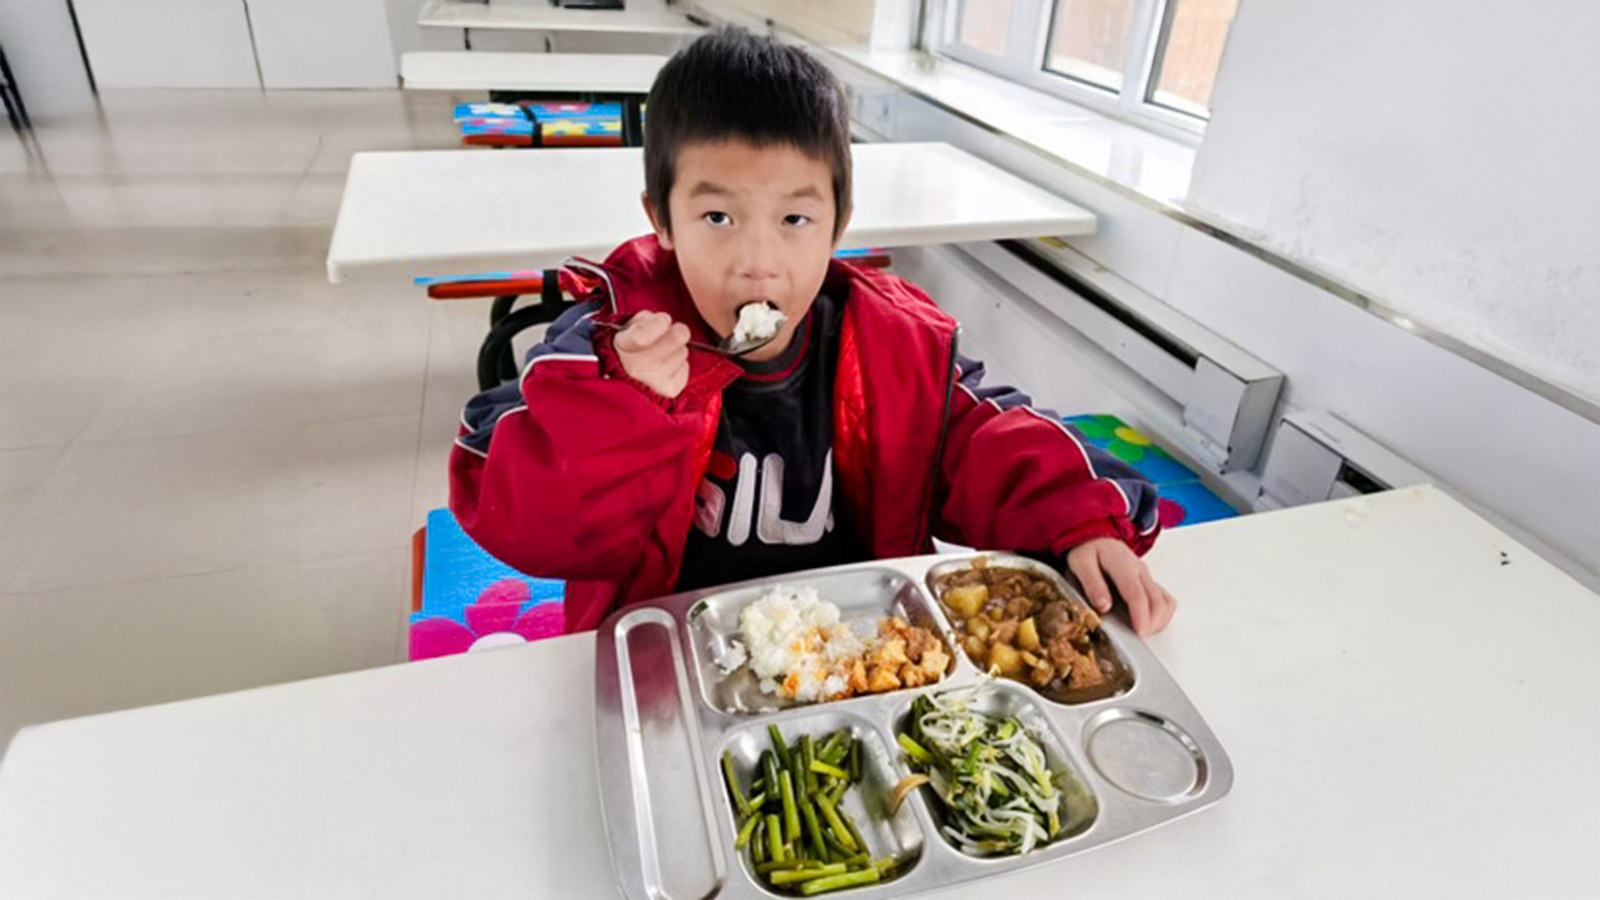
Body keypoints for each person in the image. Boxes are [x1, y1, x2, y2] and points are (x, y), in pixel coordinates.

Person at [449, 27, 1177, 636]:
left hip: (855, 651)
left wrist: (1079, 521)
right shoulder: (610, 348)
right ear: (661, 220)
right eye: (717, 217)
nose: (758, 262)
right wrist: (624, 407)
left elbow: (984, 436)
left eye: (795, 218)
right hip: (672, 657)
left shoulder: (894, 349)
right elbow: (517, 517)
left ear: (838, 224)